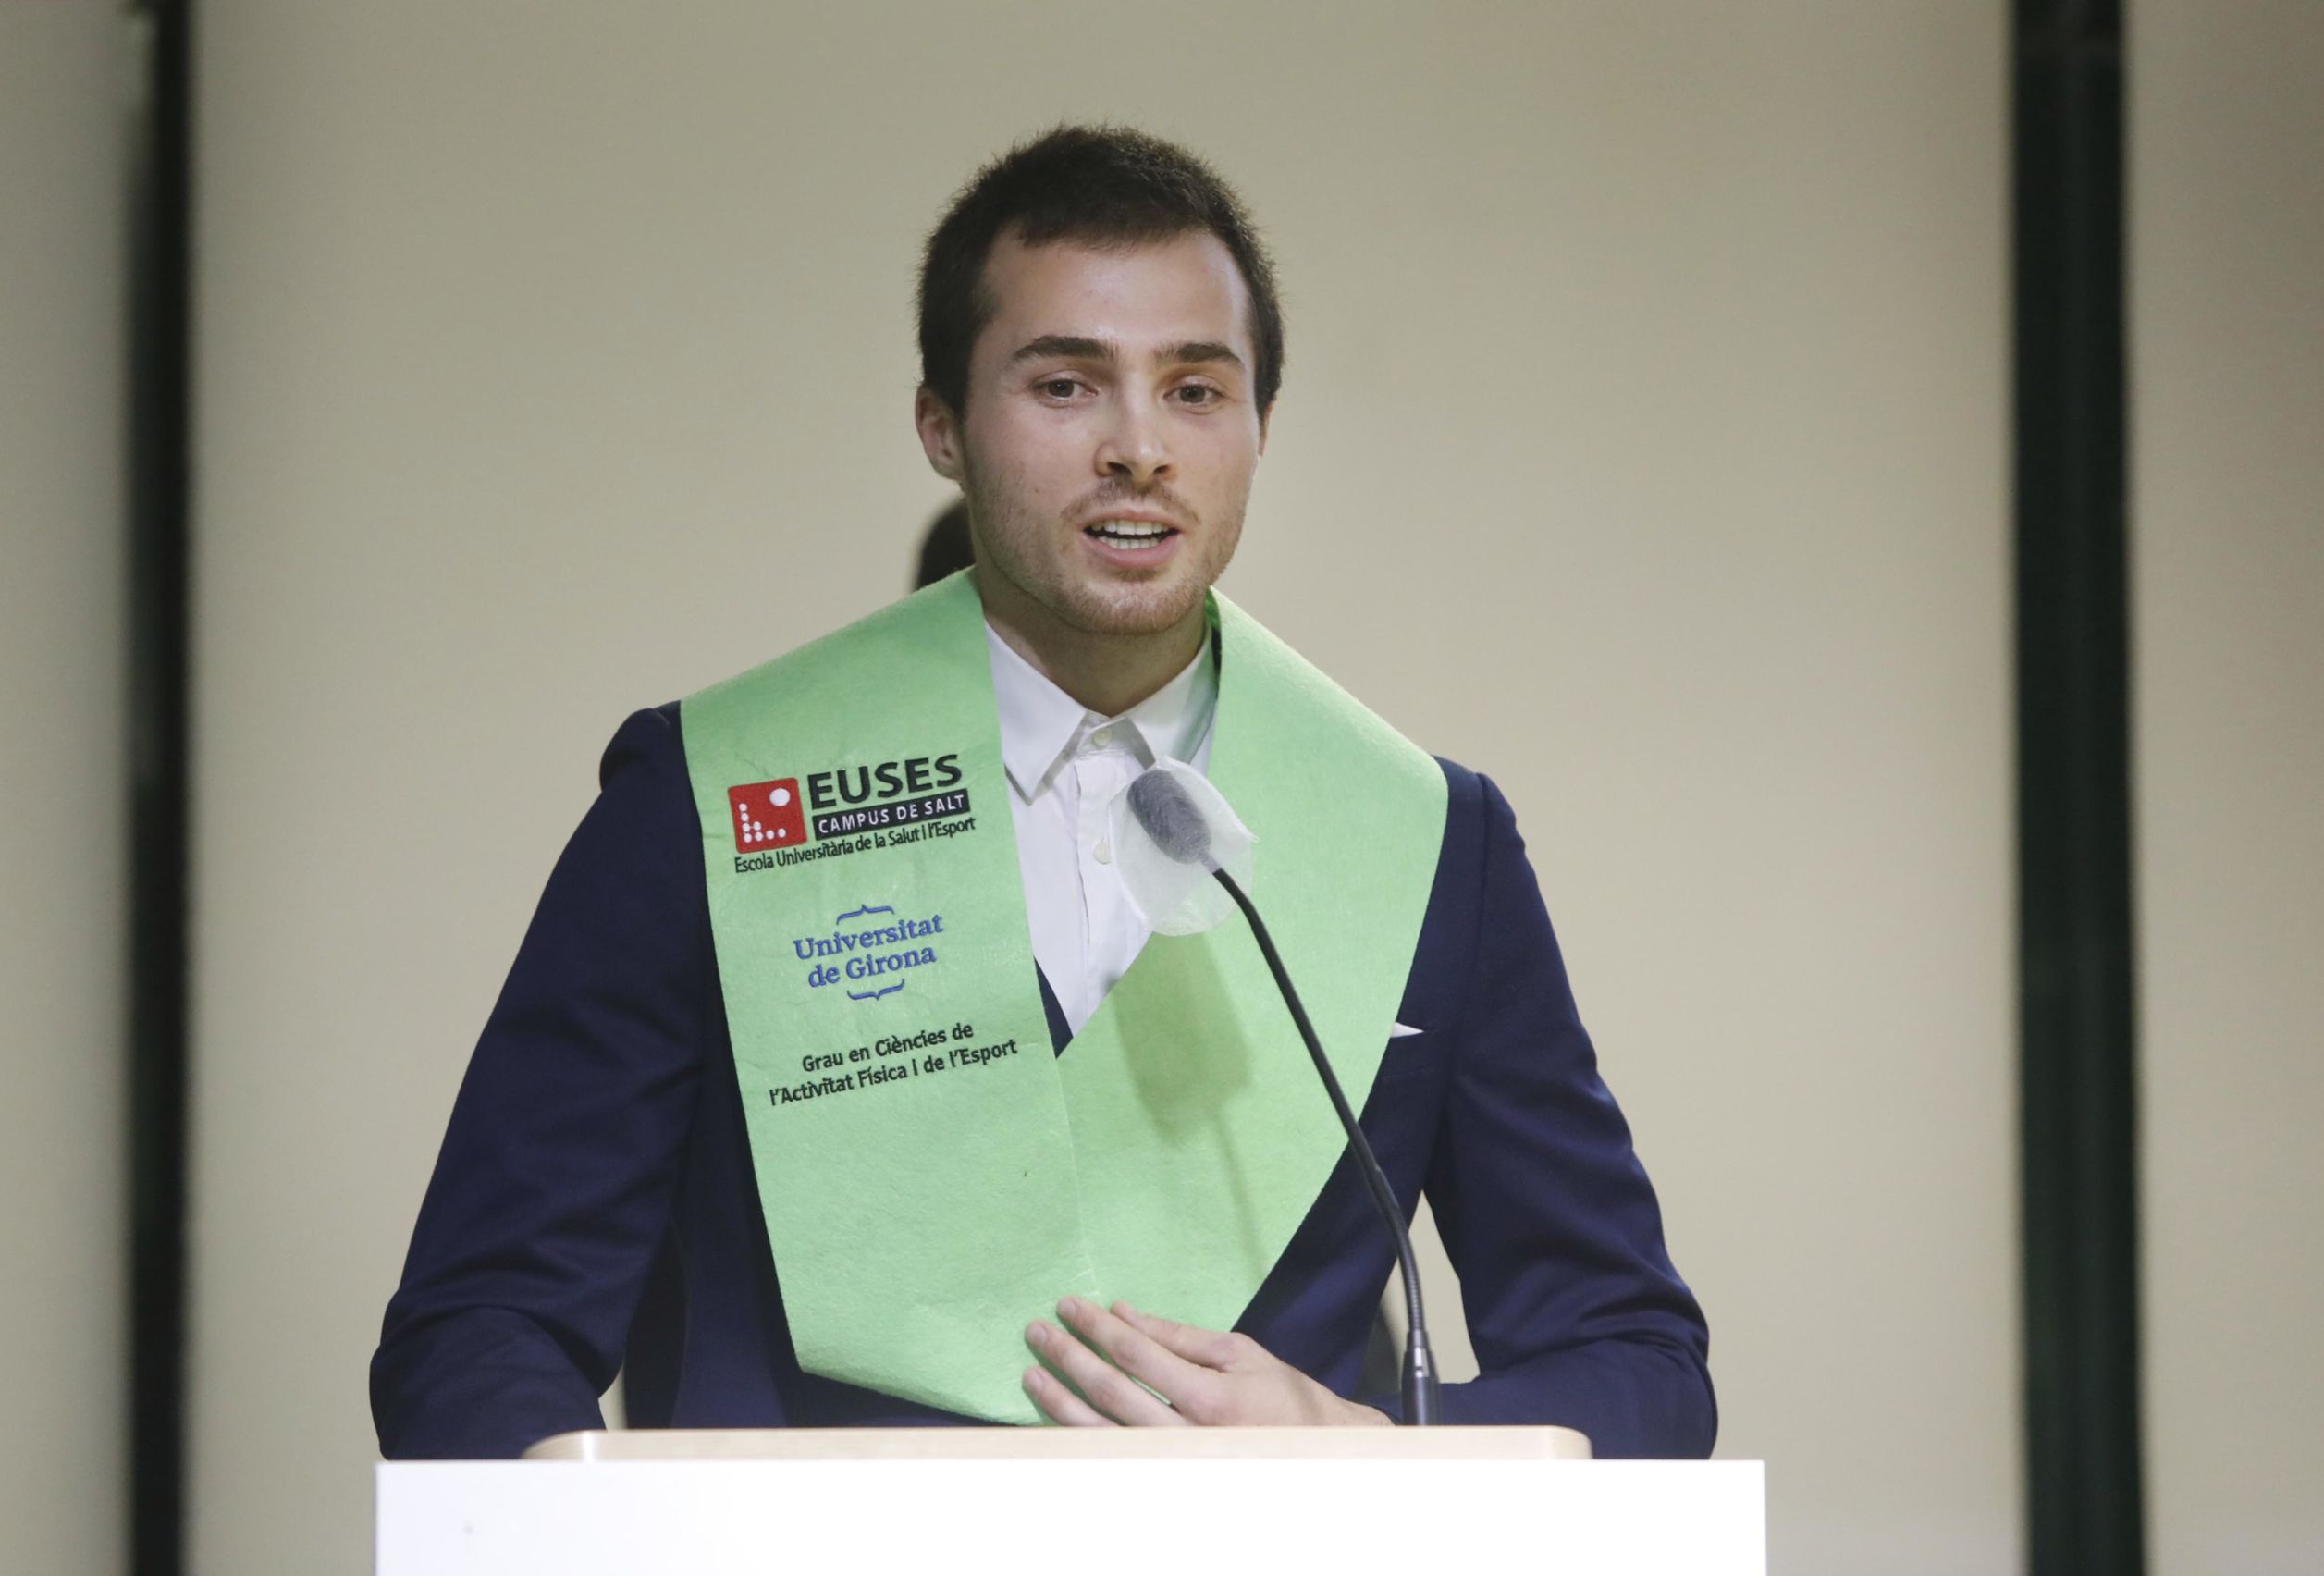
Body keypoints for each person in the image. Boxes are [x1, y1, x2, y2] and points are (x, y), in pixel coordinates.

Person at [372, 125, 1713, 1457]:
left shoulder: (1426, 839)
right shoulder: (709, 798)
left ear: (1261, 426)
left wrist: (1362, 1437)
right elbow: (480, 1328)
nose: (1140, 446)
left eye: (1196, 390)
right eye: (1066, 385)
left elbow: (1638, 1366)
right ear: (941, 428)